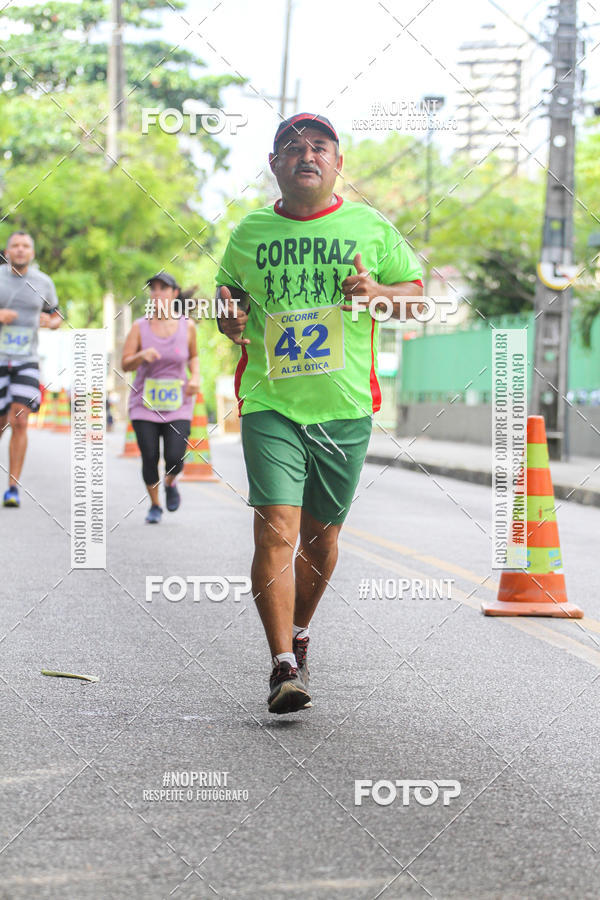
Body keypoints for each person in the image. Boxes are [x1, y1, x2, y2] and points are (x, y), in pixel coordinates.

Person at [216, 113, 425, 714]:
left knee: (322, 538)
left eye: (319, 146)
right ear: (275, 164)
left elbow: (417, 299)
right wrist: (227, 318)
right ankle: (282, 665)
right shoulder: (251, 231)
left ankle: (300, 630)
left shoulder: (370, 226)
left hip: (343, 407)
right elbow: (227, 297)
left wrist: (381, 296)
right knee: (275, 525)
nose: (306, 154)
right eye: (291, 147)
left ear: (337, 163)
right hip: (269, 400)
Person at [121, 272, 199, 524]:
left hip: (178, 404)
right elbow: (125, 364)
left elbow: (194, 356)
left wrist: (195, 377)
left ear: (174, 293)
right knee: (150, 456)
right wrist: (141, 356)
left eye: (163, 288)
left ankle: (170, 482)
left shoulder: (187, 326)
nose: (157, 293)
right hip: (144, 405)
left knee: (175, 458)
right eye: (153, 289)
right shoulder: (139, 327)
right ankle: (155, 505)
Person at [0, 231, 62, 508]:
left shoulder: (43, 282)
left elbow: (57, 312)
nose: (21, 250)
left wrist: (53, 322)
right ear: (7, 251)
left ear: (33, 252)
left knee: (20, 420)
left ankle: (13, 487)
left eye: (26, 245)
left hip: (27, 358)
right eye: (16, 245)